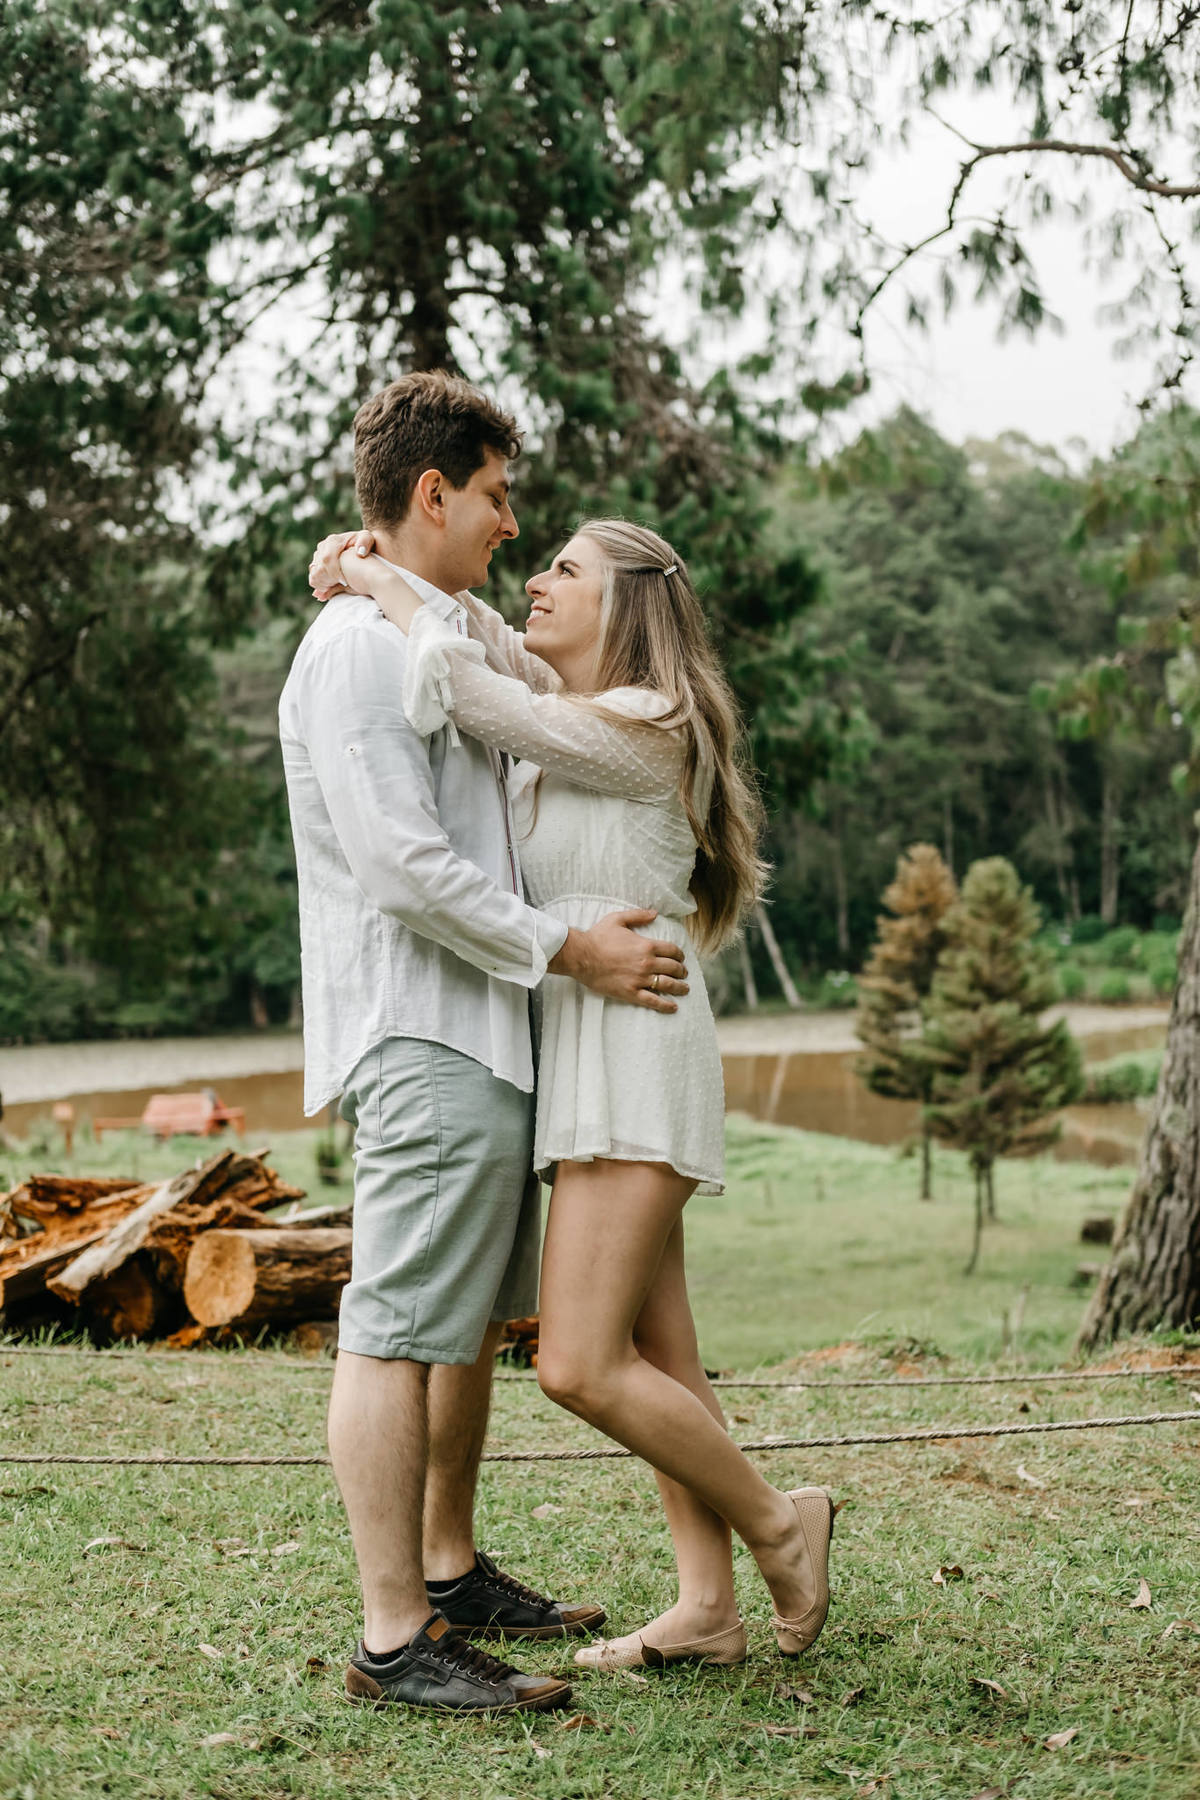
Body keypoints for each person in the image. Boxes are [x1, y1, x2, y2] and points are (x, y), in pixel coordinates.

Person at [307, 511, 836, 1675]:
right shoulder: (571, 721)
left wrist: (377, 583)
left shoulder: (649, 721)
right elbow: (478, 635)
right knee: (665, 1353)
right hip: (585, 1048)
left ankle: (782, 1526)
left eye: (565, 570)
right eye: (535, 561)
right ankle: (707, 1607)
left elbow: (465, 682)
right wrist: (372, 561)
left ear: (630, 605)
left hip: (635, 1045)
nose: (536, 580)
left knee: (577, 1363)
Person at [281, 371, 693, 1717]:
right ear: (432, 492)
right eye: (501, 498)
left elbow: (490, 671)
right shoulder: (351, 652)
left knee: (452, 1327)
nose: (514, 526)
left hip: (485, 1038)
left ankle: (446, 1574)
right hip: (425, 1032)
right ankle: (397, 1639)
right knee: (396, 1326)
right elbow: (403, 871)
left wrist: (373, 575)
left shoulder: (418, 630)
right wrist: (572, 950)